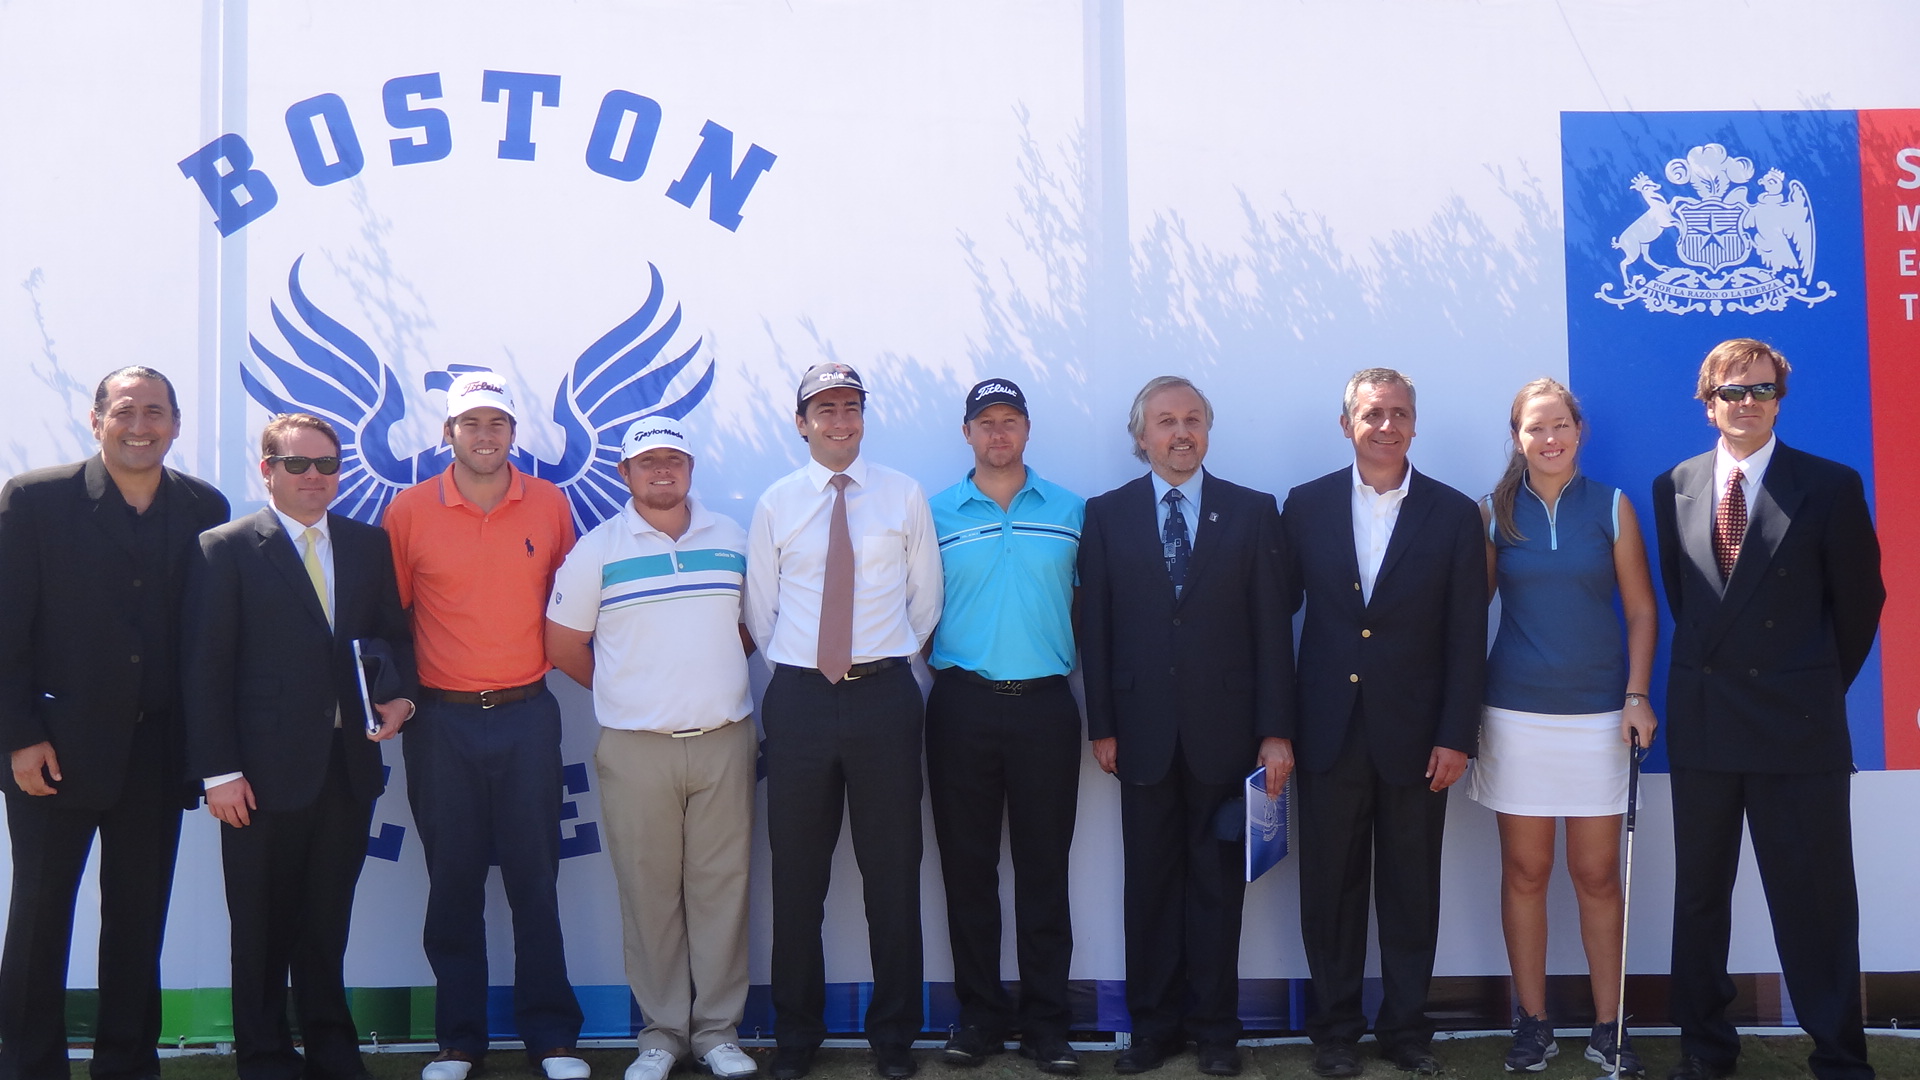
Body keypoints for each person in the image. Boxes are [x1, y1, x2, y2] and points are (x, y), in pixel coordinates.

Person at [1652, 339, 1884, 1080]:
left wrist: (1807, 685)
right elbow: (1689, 605)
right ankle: (1705, 1048)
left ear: (1780, 397)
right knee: (1699, 900)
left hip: (1798, 728)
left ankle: (1841, 1056)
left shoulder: (1830, 484)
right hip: (1705, 723)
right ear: (1707, 402)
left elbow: (1859, 605)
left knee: (1815, 902)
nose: (1744, 405)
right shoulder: (1676, 485)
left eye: (1759, 391)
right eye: (1730, 393)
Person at [0, 367, 230, 1080]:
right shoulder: (34, 500)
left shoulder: (204, 506)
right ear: (96, 419)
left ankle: (127, 1065)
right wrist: (17, 737)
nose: (141, 425)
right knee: (40, 918)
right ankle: (30, 1065)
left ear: (176, 423)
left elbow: (207, 638)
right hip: (53, 748)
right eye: (125, 411)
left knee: (137, 921)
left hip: (158, 751)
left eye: (155, 412)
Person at [181, 413, 417, 1080]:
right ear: (268, 470)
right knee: (259, 928)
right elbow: (205, 668)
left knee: (326, 922)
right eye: (297, 465)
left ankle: (332, 1049)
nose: (314, 477)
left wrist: (402, 696)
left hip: (347, 770)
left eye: (326, 465)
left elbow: (393, 638)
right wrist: (219, 773)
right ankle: (262, 1056)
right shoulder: (224, 548)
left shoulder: (367, 545)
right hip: (255, 776)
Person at [1077, 375, 1292, 1078]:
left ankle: (1216, 1031)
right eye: (1165, 422)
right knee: (1149, 888)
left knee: (1216, 888)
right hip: (1138, 735)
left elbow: (1271, 629)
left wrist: (1274, 730)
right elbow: (1096, 629)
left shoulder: (1253, 512)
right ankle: (1152, 1028)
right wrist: (1101, 724)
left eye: (1192, 420)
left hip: (1227, 735)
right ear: (1141, 437)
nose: (1180, 433)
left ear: (1207, 430)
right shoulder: (1106, 516)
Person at [382, 372, 587, 1080]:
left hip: (529, 714)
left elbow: (574, 606)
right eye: (471, 423)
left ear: (513, 432)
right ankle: (458, 1041)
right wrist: (399, 698)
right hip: (441, 722)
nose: (486, 435)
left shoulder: (550, 503)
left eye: (497, 422)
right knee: (454, 884)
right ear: (448, 434)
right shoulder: (409, 511)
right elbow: (389, 623)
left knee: (536, 880)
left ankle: (553, 1037)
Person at [1281, 367, 1484, 1078]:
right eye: (1372, 414)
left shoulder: (1456, 514)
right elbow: (1276, 624)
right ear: (1347, 425)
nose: (1386, 425)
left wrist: (1457, 734)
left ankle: (1405, 1030)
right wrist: (1276, 725)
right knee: (1330, 889)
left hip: (1419, 737)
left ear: (1414, 423)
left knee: (1409, 888)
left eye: (1398, 413)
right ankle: (1334, 1032)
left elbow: (1467, 634)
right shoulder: (1304, 508)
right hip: (1327, 732)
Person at [744, 362, 943, 1080]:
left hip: (885, 698)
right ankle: (797, 1037)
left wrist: (875, 666)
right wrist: (804, 670)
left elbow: (925, 603)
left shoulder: (903, 496)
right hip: (799, 699)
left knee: (893, 877)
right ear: (801, 422)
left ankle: (894, 1039)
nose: (839, 421)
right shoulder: (776, 504)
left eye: (851, 407)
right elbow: (760, 612)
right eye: (824, 409)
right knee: (797, 880)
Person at [545, 420, 759, 1080]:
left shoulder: (732, 539)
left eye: (673, 459)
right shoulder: (596, 551)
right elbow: (561, 647)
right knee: (649, 896)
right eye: (646, 462)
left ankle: (718, 1031)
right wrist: (630, 693)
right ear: (624, 475)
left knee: (723, 892)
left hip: (724, 740)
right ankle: (662, 1035)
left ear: (691, 467)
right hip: (636, 749)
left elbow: (751, 629)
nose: (661, 470)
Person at [1468, 378, 1657, 1075]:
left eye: (1561, 427)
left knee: (1597, 875)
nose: (1550, 440)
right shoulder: (1493, 511)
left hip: (1600, 716)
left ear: (1579, 431)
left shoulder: (1611, 505)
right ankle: (1534, 1024)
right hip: (1514, 715)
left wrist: (1637, 694)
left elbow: (1640, 610)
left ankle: (1610, 1029)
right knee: (1525, 869)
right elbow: (1467, 616)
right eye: (1535, 429)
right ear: (1518, 438)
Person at [925, 379, 1085, 1075]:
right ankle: (981, 1017)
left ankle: (1047, 1024)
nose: (998, 433)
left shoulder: (1072, 511)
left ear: (1027, 430)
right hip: (961, 703)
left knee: (1046, 870)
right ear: (967, 433)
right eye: (985, 422)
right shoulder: (932, 514)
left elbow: (1095, 609)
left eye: (1010, 421)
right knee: (968, 870)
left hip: (1047, 705)